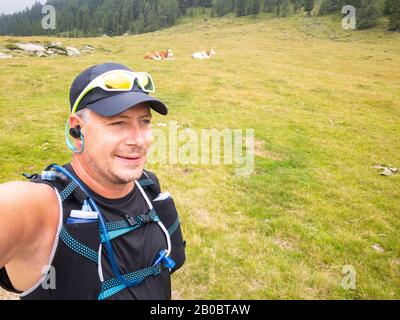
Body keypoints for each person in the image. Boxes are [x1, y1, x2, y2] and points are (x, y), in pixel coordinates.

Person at [0, 62, 186, 300]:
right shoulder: (41, 207)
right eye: (119, 123)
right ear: (77, 130)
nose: (140, 140)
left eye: (145, 121)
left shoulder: (147, 186)